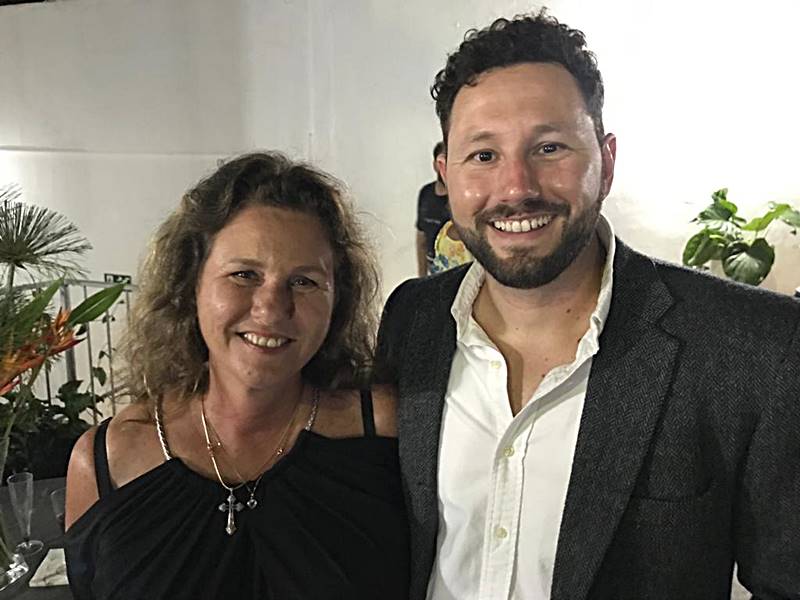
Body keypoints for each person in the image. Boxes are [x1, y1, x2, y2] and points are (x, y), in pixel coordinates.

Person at [376, 10, 800, 600]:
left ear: (606, 162)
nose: (517, 187)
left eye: (549, 148)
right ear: (445, 176)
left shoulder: (754, 350)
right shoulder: (411, 320)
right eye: (483, 155)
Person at [64, 152, 409, 599]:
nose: (270, 308)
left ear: (337, 301)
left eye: (304, 282)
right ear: (191, 285)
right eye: (244, 274)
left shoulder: (386, 429)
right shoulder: (104, 461)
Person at [415, 142, 451, 276]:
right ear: (435, 165)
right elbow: (421, 238)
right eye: (442, 160)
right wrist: (421, 278)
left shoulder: (460, 198)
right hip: (434, 270)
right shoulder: (426, 193)